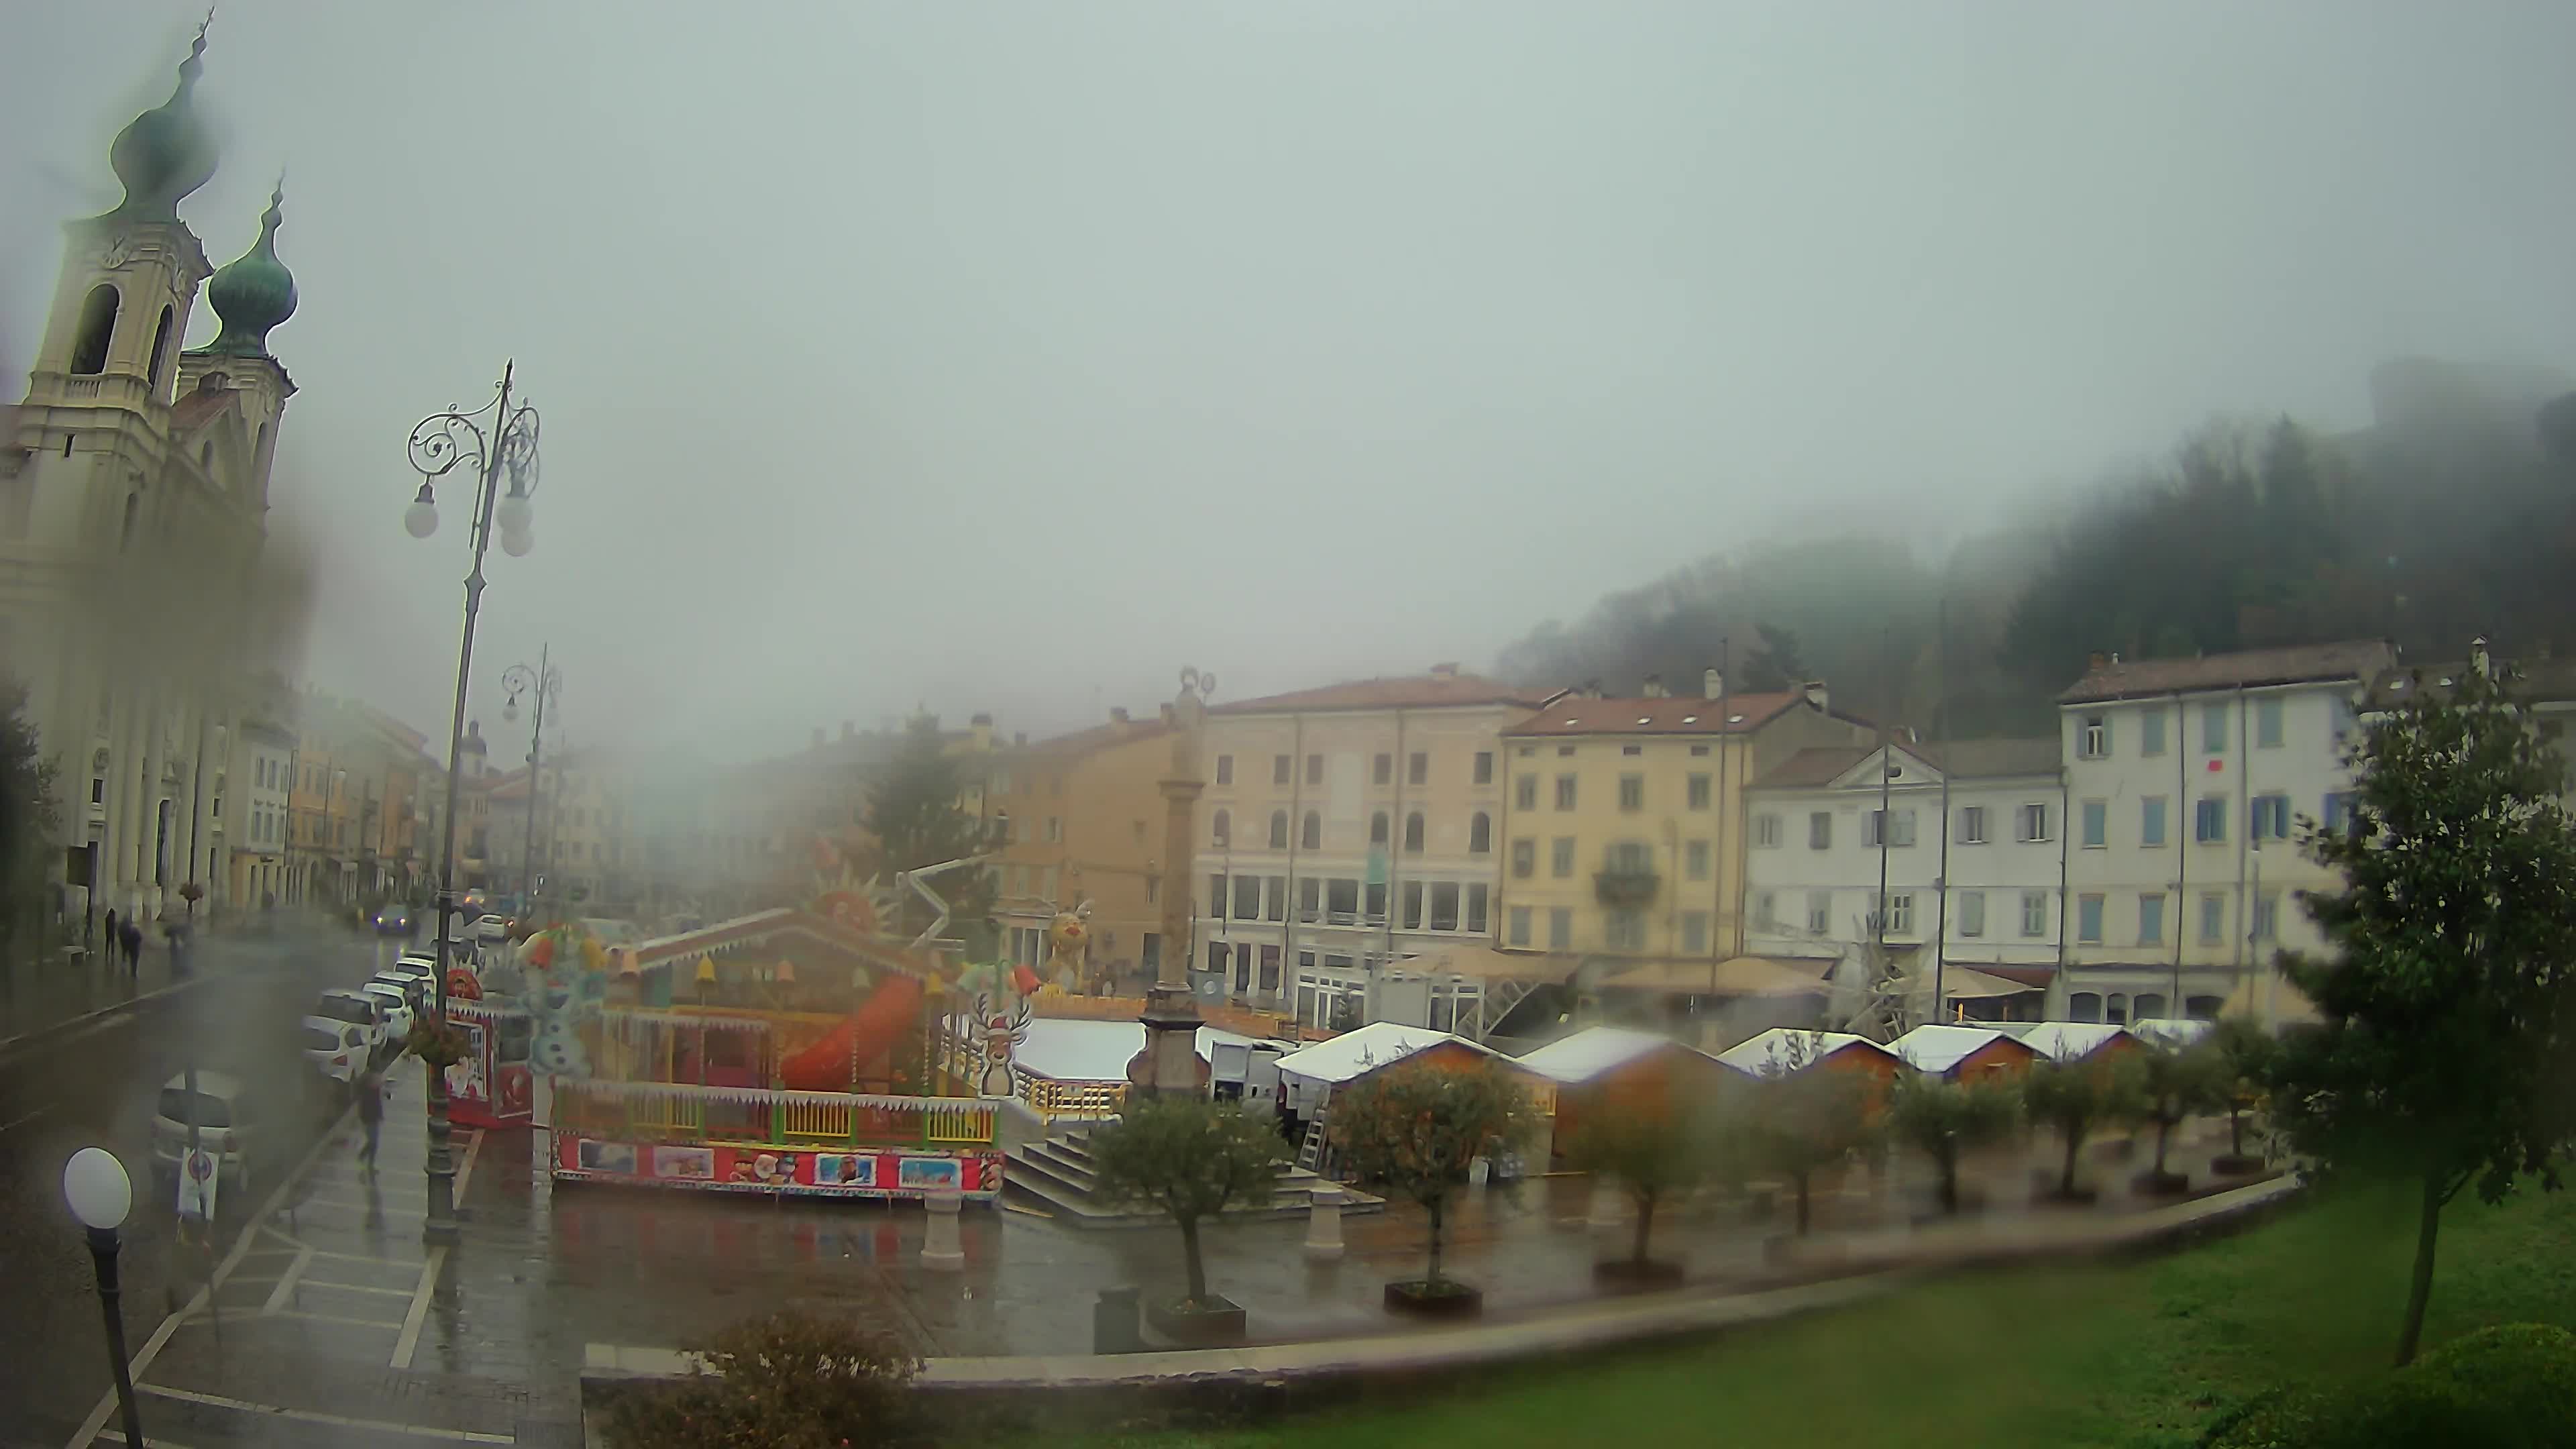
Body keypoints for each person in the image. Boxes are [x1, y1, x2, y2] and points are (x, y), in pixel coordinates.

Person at [356, 1069, 385, 1174]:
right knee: (373, 1142)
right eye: (377, 1081)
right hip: (368, 1119)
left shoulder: (375, 1092)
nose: (380, 1082)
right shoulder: (367, 1094)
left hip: (374, 1119)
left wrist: (380, 1115)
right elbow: (364, 1108)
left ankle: (368, 1162)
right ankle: (365, 1158)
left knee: (373, 1143)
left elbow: (378, 1104)